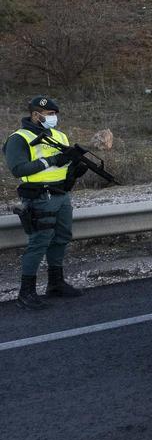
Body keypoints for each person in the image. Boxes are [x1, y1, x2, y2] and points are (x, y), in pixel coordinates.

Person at [5, 96, 84, 310]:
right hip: (39, 197)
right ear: (35, 115)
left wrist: (75, 168)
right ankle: (26, 292)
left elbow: (63, 167)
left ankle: (55, 283)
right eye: (49, 114)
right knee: (39, 241)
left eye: (54, 114)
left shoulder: (59, 135)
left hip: (61, 195)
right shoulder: (19, 138)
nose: (53, 118)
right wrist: (51, 160)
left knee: (61, 237)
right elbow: (18, 169)